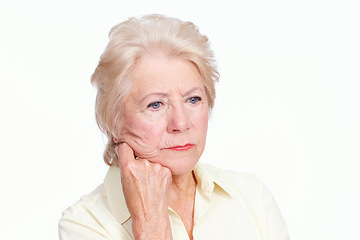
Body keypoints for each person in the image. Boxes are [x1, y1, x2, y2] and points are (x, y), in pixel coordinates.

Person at [59, 14, 289, 240]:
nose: (181, 123)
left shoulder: (253, 197)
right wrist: (150, 225)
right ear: (114, 120)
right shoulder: (85, 225)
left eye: (193, 99)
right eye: (156, 104)